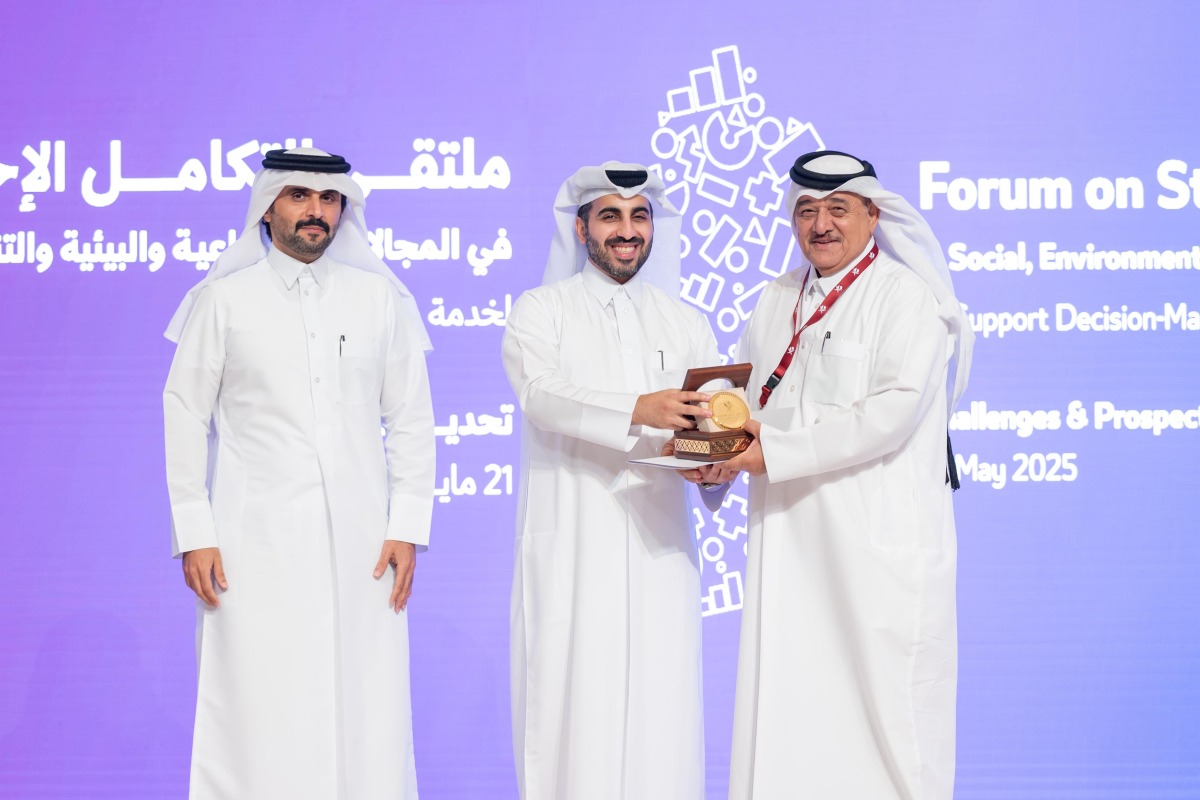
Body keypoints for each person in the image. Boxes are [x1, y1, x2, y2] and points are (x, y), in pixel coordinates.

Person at [700, 151, 974, 800]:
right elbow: (747, 403)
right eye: (806, 210)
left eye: (837, 209)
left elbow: (892, 414)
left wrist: (773, 454)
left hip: (871, 553)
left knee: (885, 729)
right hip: (787, 547)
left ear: (873, 215)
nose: (820, 224)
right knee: (790, 718)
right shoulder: (776, 296)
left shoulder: (905, 299)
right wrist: (715, 462)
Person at [163, 147, 435, 800]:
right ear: (268, 208)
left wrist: (407, 526)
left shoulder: (379, 300)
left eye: (329, 199)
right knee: (257, 704)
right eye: (300, 197)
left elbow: (411, 418)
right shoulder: (224, 301)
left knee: (364, 704)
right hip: (252, 545)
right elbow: (182, 412)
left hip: (364, 547)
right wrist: (194, 531)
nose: (316, 212)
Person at [501, 163, 720, 800]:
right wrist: (637, 409)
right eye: (611, 216)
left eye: (639, 216)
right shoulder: (540, 310)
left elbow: (715, 416)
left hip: (661, 543)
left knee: (665, 709)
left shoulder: (686, 320)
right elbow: (541, 396)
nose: (627, 231)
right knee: (574, 707)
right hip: (575, 539)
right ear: (581, 229)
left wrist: (713, 466)